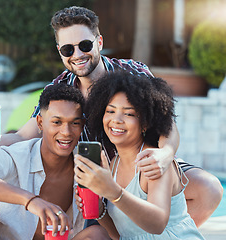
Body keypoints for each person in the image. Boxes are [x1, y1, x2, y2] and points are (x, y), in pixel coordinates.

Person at [0, 6, 223, 227]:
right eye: (68, 49)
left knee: (209, 190)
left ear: (99, 42)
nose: (77, 55)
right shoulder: (59, 89)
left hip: (142, 168)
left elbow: (168, 125)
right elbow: (23, 135)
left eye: (85, 45)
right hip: (93, 181)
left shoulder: (133, 72)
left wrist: (165, 155)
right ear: (60, 51)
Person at [0, 84, 110, 240]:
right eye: (57, 122)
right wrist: (31, 201)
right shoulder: (17, 155)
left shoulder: (86, 167)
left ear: (82, 126)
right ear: (40, 123)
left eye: (74, 123)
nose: (66, 132)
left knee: (97, 234)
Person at [74, 70, 205, 239]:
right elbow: (121, 235)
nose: (117, 120)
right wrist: (99, 209)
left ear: (145, 123)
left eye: (128, 113)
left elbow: (157, 224)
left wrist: (112, 191)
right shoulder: (114, 164)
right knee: (91, 234)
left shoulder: (154, 162)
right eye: (110, 111)